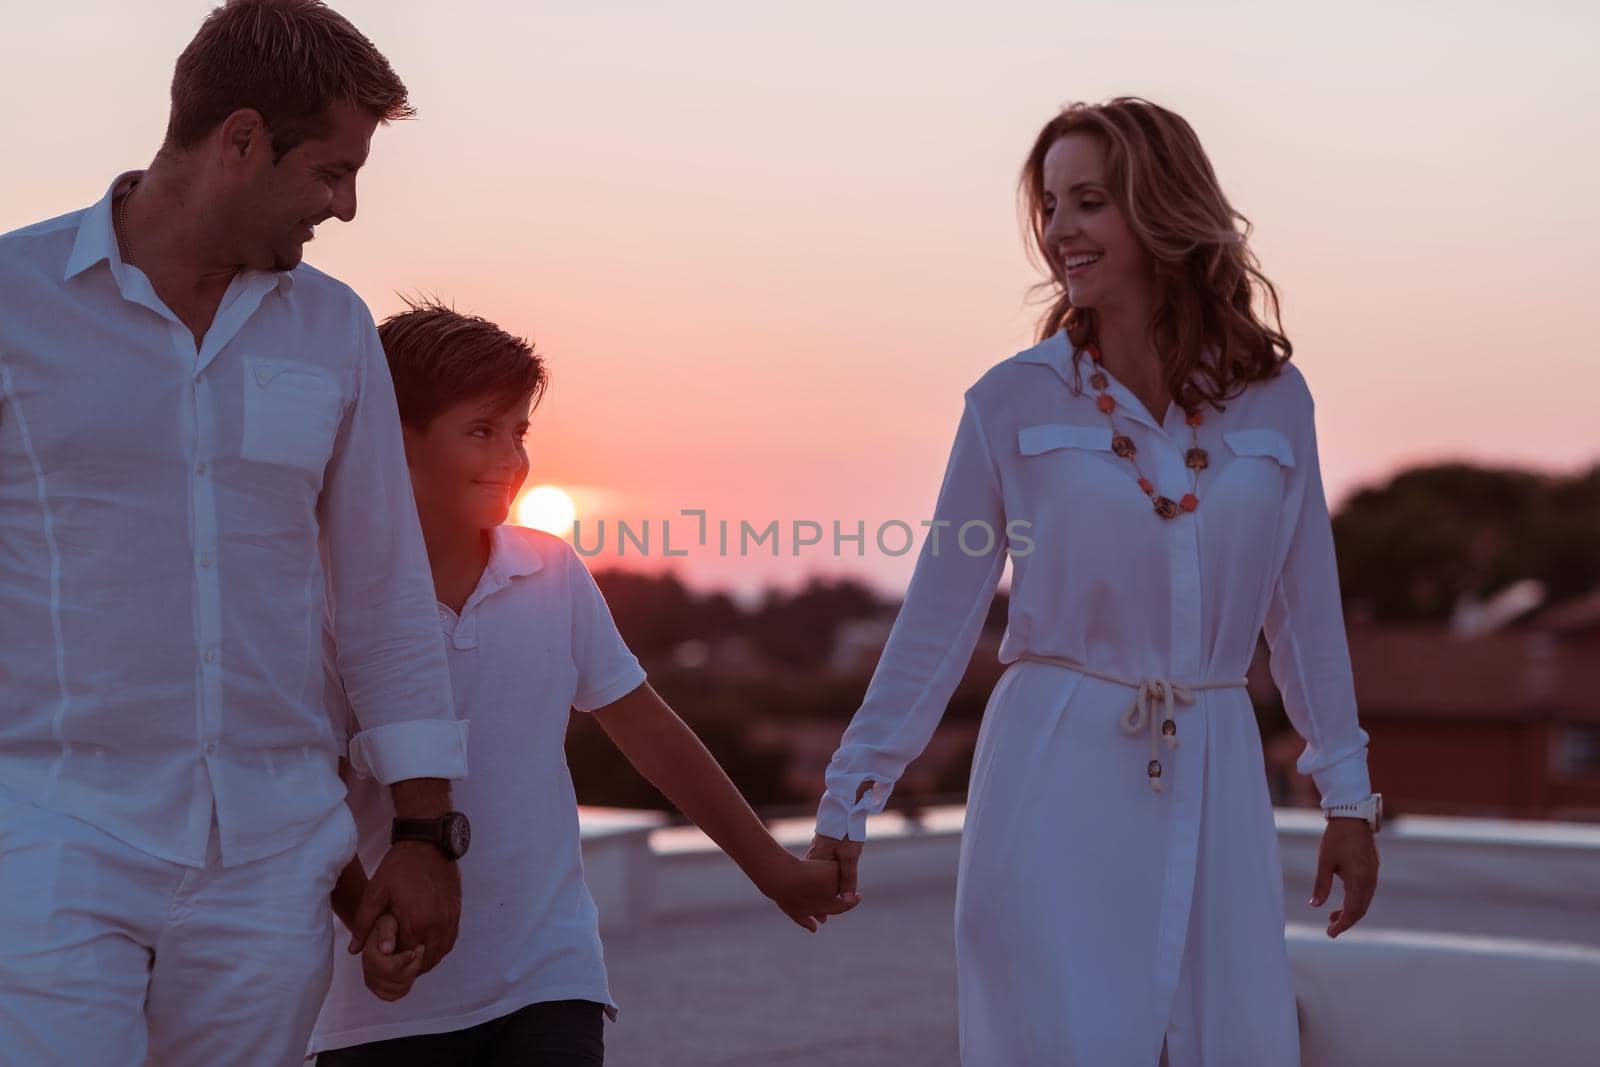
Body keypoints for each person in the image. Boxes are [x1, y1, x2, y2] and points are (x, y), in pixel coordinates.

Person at [807, 97, 1382, 1066]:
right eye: (1048, 205)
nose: (1058, 230)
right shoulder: (1010, 401)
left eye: (1087, 201)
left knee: (1228, 1038)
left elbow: (1305, 612)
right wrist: (848, 798)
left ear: (1161, 209)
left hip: (1215, 763)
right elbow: (938, 621)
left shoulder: (1276, 402)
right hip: (1051, 771)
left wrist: (1348, 797)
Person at [0, 3, 471, 1064]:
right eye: (333, 172)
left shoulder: (334, 326)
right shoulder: (11, 302)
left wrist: (424, 830)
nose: (346, 209)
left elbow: (383, 589)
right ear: (242, 138)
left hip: (270, 856)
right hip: (48, 831)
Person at [309, 299, 851, 1066]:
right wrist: (366, 912)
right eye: (481, 430)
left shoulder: (551, 571)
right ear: (395, 442)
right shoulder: (324, 591)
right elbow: (310, 788)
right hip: (377, 1006)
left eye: (520, 431)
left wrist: (771, 867)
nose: (510, 456)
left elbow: (650, 731)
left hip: (548, 973)